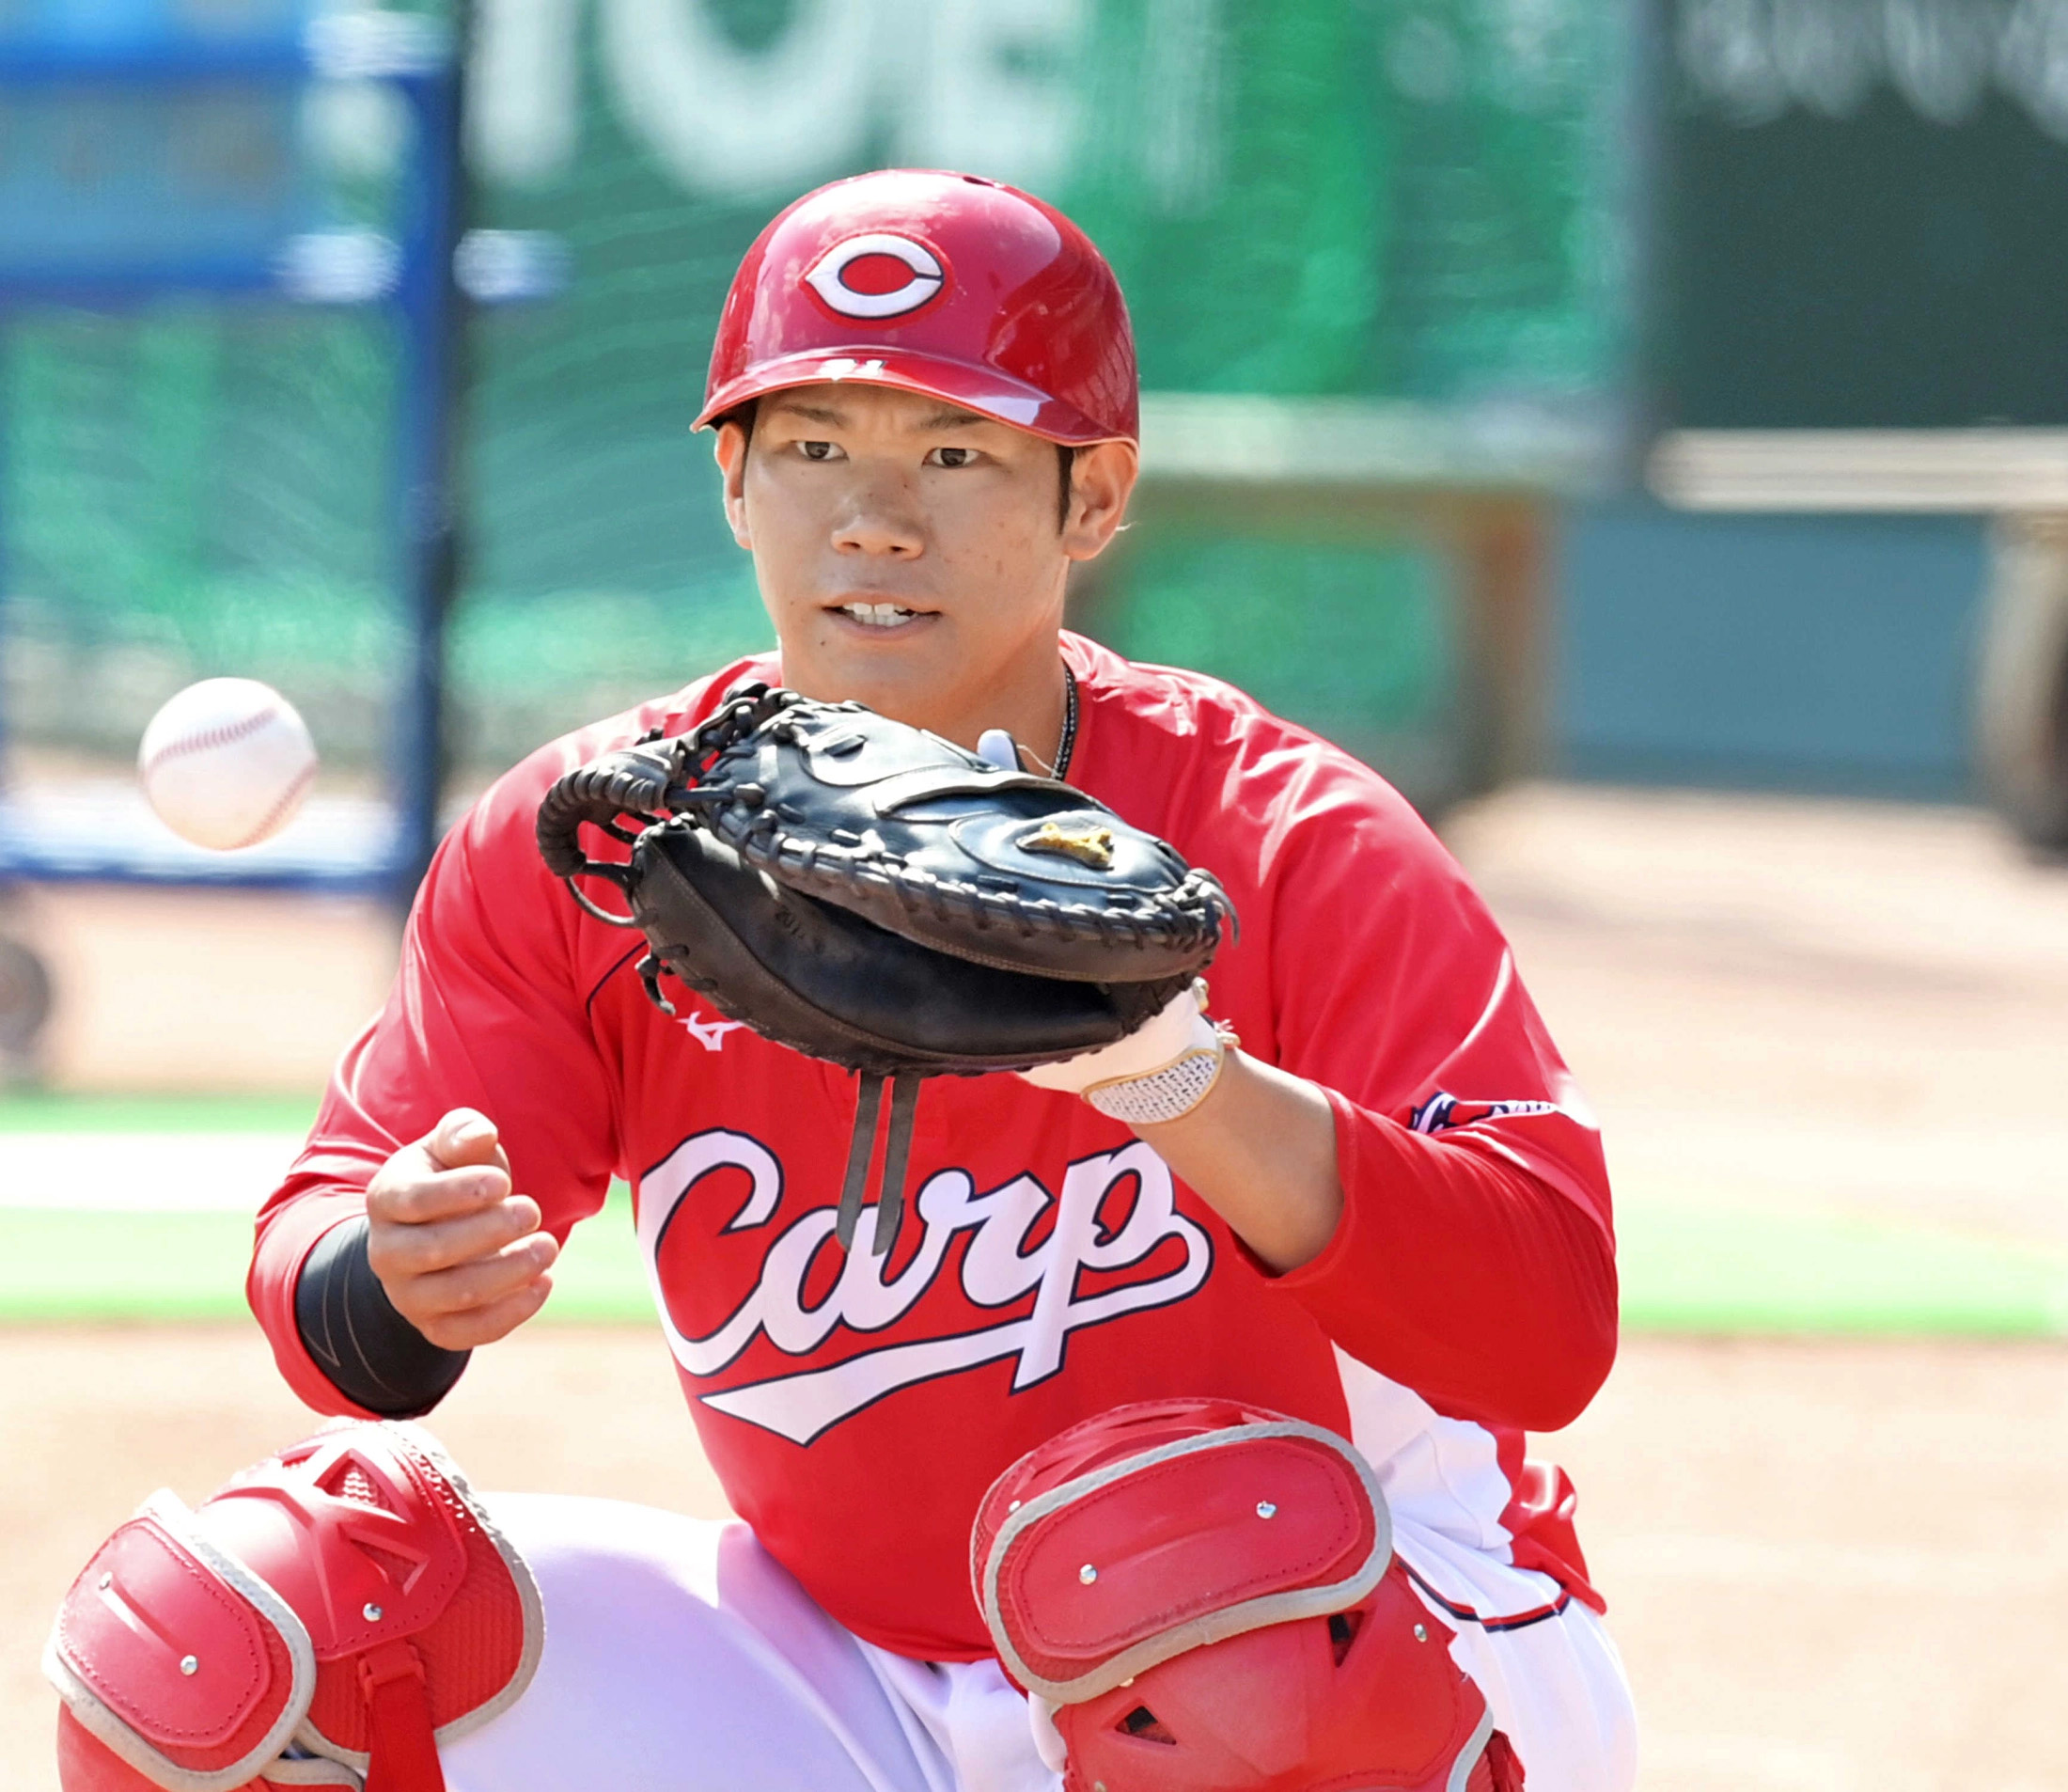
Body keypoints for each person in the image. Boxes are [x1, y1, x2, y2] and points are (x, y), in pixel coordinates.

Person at [244, 168, 1634, 1791]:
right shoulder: (611, 841)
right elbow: (329, 1251)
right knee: (248, 1652)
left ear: (1094, 498)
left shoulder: (1282, 834)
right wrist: (390, 1269)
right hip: (856, 1670)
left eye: (957, 453)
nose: (875, 519)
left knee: (1224, 1665)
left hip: (1355, 1624)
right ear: (733, 481)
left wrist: (1181, 1082)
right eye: (813, 444)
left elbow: (1549, 1326)